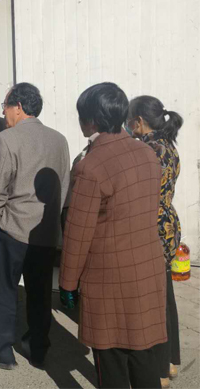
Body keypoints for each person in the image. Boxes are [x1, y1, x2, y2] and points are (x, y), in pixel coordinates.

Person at [60, 83, 167, 388]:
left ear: (91, 120)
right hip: (147, 267)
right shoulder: (147, 153)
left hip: (108, 277)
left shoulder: (90, 166)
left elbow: (78, 235)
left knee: (111, 359)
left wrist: (68, 283)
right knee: (143, 353)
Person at [0, 83, 70, 370]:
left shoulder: (6, 139)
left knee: (4, 291)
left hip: (12, 229)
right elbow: (64, 186)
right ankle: (37, 350)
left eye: (5, 106)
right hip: (45, 231)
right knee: (40, 294)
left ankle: (1, 353)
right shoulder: (59, 140)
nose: (3, 112)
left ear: (18, 107)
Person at [127, 95, 183, 388]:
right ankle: (170, 360)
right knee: (165, 295)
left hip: (151, 227)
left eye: (129, 119)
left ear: (138, 121)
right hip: (168, 225)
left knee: (154, 301)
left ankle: (160, 368)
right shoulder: (168, 147)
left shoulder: (147, 150)